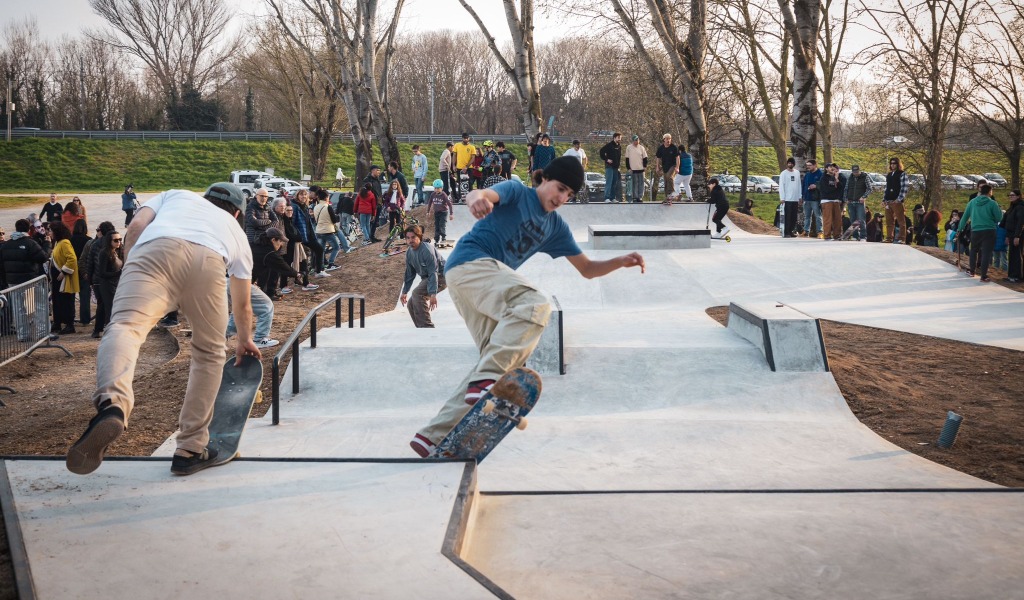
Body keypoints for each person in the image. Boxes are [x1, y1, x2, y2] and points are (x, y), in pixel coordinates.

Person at [408, 156, 647, 457]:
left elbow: (586, 269)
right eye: (559, 189)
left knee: (497, 360)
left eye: (569, 195)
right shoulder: (518, 192)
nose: (561, 198)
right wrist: (476, 198)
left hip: (474, 287)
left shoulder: (556, 227)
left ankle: (433, 435)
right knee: (535, 305)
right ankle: (486, 382)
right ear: (543, 179)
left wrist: (619, 261)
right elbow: (482, 194)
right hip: (471, 264)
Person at [66, 183, 260, 477]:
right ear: (236, 213)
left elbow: (137, 224)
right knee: (209, 353)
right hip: (209, 262)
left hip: (154, 250)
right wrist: (244, 339)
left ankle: (113, 405)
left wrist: (134, 266)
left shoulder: (176, 196)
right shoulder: (235, 233)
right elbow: (243, 305)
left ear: (205, 198)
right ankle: (190, 448)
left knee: (125, 327)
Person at [400, 225, 446, 328]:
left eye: (413, 237)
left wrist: (432, 293)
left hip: (441, 276)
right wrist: (404, 291)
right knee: (411, 304)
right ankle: (421, 329)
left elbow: (433, 272)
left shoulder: (426, 250)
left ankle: (427, 327)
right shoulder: (409, 253)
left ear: (419, 237)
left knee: (417, 294)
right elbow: (409, 274)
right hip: (428, 277)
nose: (410, 240)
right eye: (408, 238)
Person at [955, 183, 1003, 282]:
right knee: (986, 252)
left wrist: (960, 229)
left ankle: (972, 270)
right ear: (990, 192)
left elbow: (965, 217)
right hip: (989, 230)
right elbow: (999, 218)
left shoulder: (972, 202)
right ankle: (984, 275)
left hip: (976, 230)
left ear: (980, 191)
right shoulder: (992, 203)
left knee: (974, 250)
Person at [84, 221, 117, 337]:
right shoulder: (114, 244)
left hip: (97, 279)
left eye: (98, 230)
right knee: (108, 305)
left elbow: (90, 263)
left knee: (102, 304)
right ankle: (106, 328)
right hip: (110, 279)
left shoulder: (95, 244)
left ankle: (98, 329)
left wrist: (90, 281)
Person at [48, 222, 79, 335]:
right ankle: (58, 323)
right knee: (58, 301)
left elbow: (72, 259)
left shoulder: (65, 243)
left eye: (51, 230)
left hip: (64, 278)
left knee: (66, 301)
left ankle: (69, 325)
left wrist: (64, 272)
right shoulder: (57, 242)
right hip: (57, 278)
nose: (49, 233)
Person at [93, 231, 124, 334]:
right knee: (109, 308)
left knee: (114, 307)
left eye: (120, 240)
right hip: (106, 284)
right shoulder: (104, 253)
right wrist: (118, 273)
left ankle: (108, 330)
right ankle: (108, 331)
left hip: (116, 283)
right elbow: (102, 273)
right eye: (115, 240)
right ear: (109, 241)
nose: (118, 242)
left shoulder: (118, 251)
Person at [312, 188, 350, 271]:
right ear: (326, 198)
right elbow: (334, 220)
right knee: (336, 247)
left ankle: (321, 266)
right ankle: (331, 263)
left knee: (321, 250)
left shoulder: (315, 207)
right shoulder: (328, 207)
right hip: (328, 231)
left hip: (318, 231)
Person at [70, 220, 92, 325]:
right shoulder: (88, 240)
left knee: (70, 297)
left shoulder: (69, 240)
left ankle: (70, 318)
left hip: (72, 271)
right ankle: (85, 319)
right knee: (84, 297)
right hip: (84, 271)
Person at [883, 157, 909, 243]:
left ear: (898, 164)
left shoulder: (902, 174)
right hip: (888, 201)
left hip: (896, 201)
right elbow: (887, 188)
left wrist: (899, 199)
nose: (892, 165)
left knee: (901, 221)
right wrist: (884, 199)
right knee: (889, 221)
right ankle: (889, 238)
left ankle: (902, 238)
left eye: (894, 163)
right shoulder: (889, 175)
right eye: (891, 163)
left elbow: (904, 187)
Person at [818, 163, 846, 240]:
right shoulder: (823, 178)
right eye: (830, 167)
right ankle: (827, 235)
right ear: (826, 169)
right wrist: (835, 189)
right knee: (828, 219)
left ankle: (837, 235)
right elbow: (827, 190)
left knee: (837, 219)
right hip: (826, 200)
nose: (832, 168)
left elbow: (841, 187)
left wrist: (837, 179)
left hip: (836, 200)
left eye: (833, 167)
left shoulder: (835, 177)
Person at [844, 165, 870, 241]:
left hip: (860, 202)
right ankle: (855, 236)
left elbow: (869, 188)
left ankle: (863, 236)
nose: (856, 173)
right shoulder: (850, 177)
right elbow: (846, 189)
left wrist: (864, 197)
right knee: (853, 219)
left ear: (859, 170)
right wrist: (846, 199)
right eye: (854, 172)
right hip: (850, 201)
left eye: (857, 172)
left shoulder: (865, 177)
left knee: (861, 219)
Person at [778, 158, 802, 237]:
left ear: (794, 164)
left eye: (791, 163)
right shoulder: (783, 173)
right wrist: (782, 198)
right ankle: (786, 232)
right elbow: (781, 186)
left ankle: (791, 230)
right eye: (789, 163)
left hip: (795, 198)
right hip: (787, 199)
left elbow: (799, 185)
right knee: (787, 216)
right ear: (787, 164)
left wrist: (800, 196)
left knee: (794, 217)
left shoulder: (797, 173)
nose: (790, 164)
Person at [1003, 190, 1023, 282]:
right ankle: (1011, 275)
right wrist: (1007, 236)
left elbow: (1020, 222)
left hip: (1018, 235)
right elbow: (1007, 223)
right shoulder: (1012, 207)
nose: (1010, 197)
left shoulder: (1020, 207)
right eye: (1009, 195)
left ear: (1018, 196)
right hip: (1011, 234)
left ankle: (1017, 276)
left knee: (1017, 255)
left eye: (1013, 195)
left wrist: (1017, 236)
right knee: (1012, 255)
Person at [427, 179, 455, 244]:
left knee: (442, 225)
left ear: (442, 188)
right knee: (436, 226)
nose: (436, 190)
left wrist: (451, 214)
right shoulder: (433, 194)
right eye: (435, 188)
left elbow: (450, 205)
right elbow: (430, 203)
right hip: (436, 212)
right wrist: (428, 211)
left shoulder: (444, 195)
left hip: (443, 213)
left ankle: (443, 238)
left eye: (438, 188)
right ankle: (436, 239)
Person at [655, 133, 680, 205]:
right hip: (665, 166)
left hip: (673, 166)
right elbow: (658, 158)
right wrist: (657, 167)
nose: (668, 140)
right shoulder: (661, 148)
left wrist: (677, 167)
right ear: (664, 140)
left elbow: (677, 158)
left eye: (670, 139)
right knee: (666, 181)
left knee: (669, 176)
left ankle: (673, 193)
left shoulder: (674, 147)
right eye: (667, 139)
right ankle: (668, 198)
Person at [801, 159, 823, 238]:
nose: (808, 167)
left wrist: (816, 186)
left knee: (818, 216)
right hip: (807, 198)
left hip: (815, 199)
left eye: (810, 165)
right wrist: (803, 196)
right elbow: (803, 186)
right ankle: (806, 231)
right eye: (807, 166)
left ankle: (820, 232)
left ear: (815, 165)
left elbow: (823, 185)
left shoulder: (820, 174)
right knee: (807, 216)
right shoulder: (807, 174)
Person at [599, 132, 622, 203]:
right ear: (614, 138)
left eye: (620, 138)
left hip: (616, 167)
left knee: (614, 183)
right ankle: (607, 197)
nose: (619, 139)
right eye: (618, 138)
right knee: (609, 182)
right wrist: (607, 159)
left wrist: (618, 166)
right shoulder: (609, 145)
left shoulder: (619, 146)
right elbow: (601, 152)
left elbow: (619, 157)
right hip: (609, 167)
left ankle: (612, 198)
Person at [624, 135, 648, 203]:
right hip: (633, 169)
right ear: (633, 141)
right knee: (634, 183)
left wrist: (645, 166)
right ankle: (634, 196)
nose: (636, 141)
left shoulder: (641, 148)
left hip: (641, 168)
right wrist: (628, 168)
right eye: (635, 140)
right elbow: (627, 158)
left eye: (637, 140)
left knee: (641, 183)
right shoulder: (629, 147)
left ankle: (640, 197)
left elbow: (645, 157)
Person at [453, 134, 477, 200]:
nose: (465, 139)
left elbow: (473, 158)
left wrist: (466, 166)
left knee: (469, 183)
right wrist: (453, 165)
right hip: (459, 167)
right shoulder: (457, 145)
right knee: (460, 183)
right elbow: (454, 155)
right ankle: (461, 198)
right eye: (464, 138)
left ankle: (470, 198)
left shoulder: (472, 147)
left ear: (468, 138)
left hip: (469, 168)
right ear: (462, 138)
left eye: (467, 138)